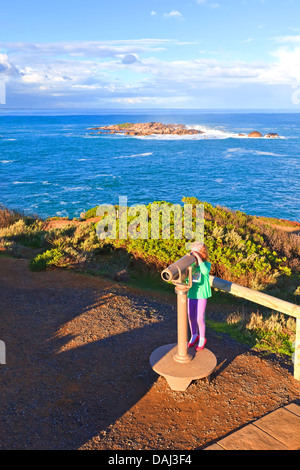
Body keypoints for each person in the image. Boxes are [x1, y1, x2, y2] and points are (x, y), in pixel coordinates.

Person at [187, 242, 212, 351]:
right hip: (191, 293)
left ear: (201, 254)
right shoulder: (191, 265)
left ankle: (202, 338)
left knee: (199, 318)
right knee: (190, 316)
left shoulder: (206, 264)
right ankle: (194, 335)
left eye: (196, 253)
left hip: (201, 294)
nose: (193, 255)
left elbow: (205, 271)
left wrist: (199, 259)